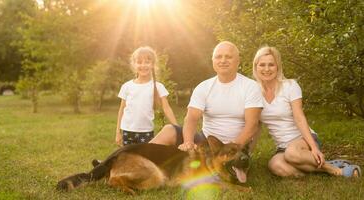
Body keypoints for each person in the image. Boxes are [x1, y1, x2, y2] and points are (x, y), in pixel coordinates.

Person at [150, 41, 263, 183]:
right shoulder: (204, 87)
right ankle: (140, 158)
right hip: (207, 142)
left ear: (237, 61)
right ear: (213, 61)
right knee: (168, 130)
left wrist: (230, 151)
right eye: (218, 57)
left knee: (216, 176)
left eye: (228, 57)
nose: (223, 60)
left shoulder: (250, 87)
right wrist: (188, 142)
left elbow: (252, 125)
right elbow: (191, 118)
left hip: (237, 147)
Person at [252, 46, 361, 177]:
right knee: (275, 165)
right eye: (262, 65)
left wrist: (314, 148)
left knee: (292, 154)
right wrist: (248, 152)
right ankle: (326, 166)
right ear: (256, 67)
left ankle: (337, 171)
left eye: (271, 64)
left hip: (303, 140)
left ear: (278, 67)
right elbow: (256, 125)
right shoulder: (253, 92)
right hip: (282, 147)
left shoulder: (290, 86)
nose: (267, 69)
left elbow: (299, 117)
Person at [115, 46, 178, 146]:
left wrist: (177, 128)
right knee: (128, 159)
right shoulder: (127, 86)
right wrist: (118, 132)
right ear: (134, 65)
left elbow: (166, 108)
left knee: (145, 159)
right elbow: (121, 110)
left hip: (146, 132)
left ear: (152, 64)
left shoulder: (158, 86)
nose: (143, 65)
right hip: (127, 131)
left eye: (147, 62)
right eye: (139, 62)